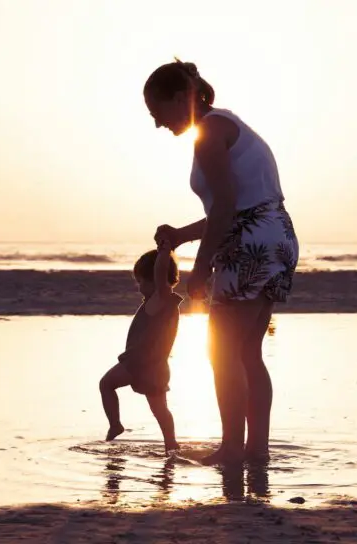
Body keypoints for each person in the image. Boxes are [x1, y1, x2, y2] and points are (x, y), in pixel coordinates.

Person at [145, 58, 299, 466]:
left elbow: (227, 207)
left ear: (181, 97)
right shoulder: (227, 124)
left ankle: (233, 449)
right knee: (248, 353)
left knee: (223, 351)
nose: (157, 123)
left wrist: (200, 269)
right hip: (275, 236)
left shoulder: (210, 133)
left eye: (157, 111)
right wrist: (182, 234)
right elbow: (238, 206)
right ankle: (255, 450)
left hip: (249, 244)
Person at [98, 243, 183, 454]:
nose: (139, 287)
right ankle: (171, 444)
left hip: (139, 362)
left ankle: (115, 424)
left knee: (106, 384)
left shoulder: (161, 299)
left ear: (156, 279)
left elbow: (160, 272)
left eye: (141, 281)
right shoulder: (162, 303)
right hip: (157, 367)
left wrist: (164, 250)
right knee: (160, 411)